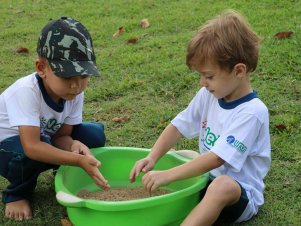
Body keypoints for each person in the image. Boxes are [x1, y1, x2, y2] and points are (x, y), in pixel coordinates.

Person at [130, 10, 271, 225]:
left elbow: (216, 158)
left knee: (222, 184)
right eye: (201, 75)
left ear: (239, 70)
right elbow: (178, 125)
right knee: (181, 157)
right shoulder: (209, 94)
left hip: (236, 195)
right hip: (204, 180)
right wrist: (152, 157)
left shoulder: (252, 112)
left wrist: (167, 175)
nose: (202, 83)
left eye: (209, 76)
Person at [0, 16, 110, 221]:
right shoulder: (26, 91)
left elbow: (61, 136)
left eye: (84, 76)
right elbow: (32, 147)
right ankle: (17, 194)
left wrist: (74, 145)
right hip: (9, 149)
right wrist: (77, 159)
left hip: (45, 140)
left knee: (92, 134)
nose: (76, 86)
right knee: (32, 150)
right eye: (67, 77)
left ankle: (63, 171)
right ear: (42, 68)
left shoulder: (73, 92)